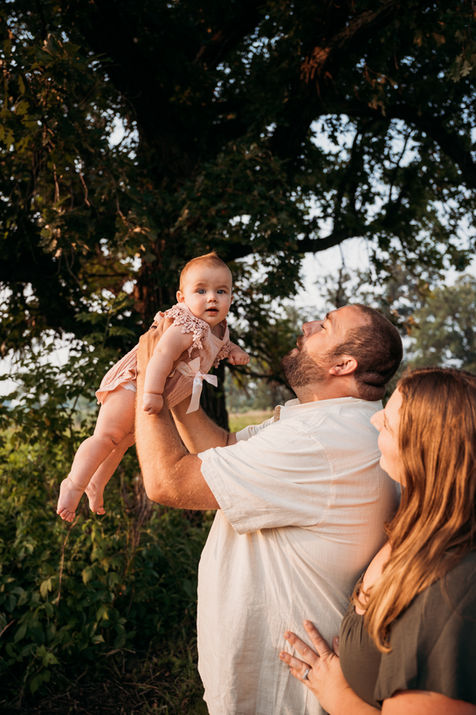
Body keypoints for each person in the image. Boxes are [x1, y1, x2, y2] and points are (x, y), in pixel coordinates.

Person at [134, 302, 403, 715]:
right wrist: (178, 385)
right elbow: (221, 449)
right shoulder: (329, 422)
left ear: (343, 364)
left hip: (283, 690)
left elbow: (167, 482)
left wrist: (146, 371)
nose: (308, 325)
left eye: (324, 326)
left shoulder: (321, 439)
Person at [280, 367, 476, 714]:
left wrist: (338, 695)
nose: (374, 422)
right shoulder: (419, 527)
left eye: (387, 423)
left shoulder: (447, 598)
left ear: (425, 454)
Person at [56, 252, 249, 523]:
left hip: (156, 394)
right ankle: (73, 484)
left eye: (221, 291)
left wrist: (234, 351)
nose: (212, 298)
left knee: (120, 444)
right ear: (182, 298)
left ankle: (95, 483)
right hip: (136, 384)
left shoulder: (217, 329)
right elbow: (160, 357)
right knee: (107, 437)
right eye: (201, 290)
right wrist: (153, 393)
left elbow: (221, 345)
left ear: (230, 296)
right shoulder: (186, 324)